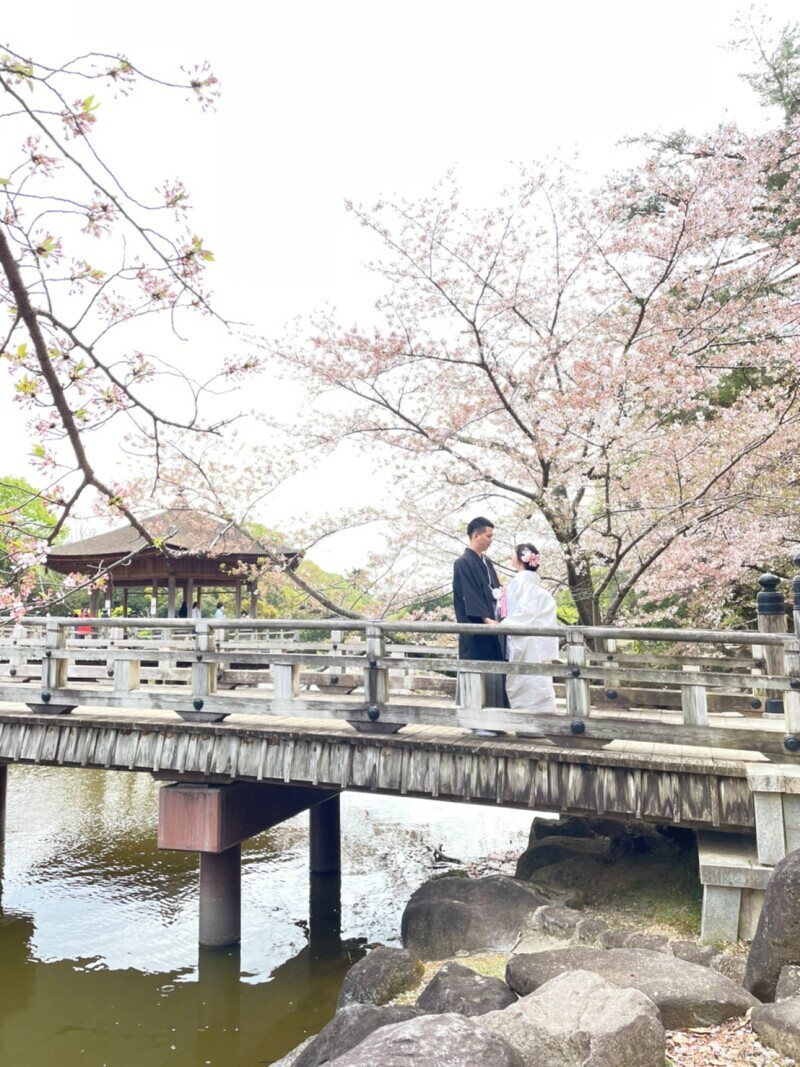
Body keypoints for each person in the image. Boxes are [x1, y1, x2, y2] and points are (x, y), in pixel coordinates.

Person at [452, 516, 509, 709]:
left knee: (493, 670)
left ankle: (493, 716)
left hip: (491, 624)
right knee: (476, 671)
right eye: (488, 536)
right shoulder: (462, 562)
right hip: (475, 627)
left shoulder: (487, 562)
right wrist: (484, 619)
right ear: (476, 535)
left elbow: (496, 589)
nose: (491, 540)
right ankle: (475, 720)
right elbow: (470, 594)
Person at [501, 543, 559, 711]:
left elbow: (525, 613)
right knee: (536, 680)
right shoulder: (529, 585)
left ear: (520, 558)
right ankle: (537, 723)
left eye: (513, 553)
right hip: (533, 641)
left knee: (529, 681)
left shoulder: (522, 584)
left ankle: (532, 724)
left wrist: (503, 624)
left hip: (527, 641)